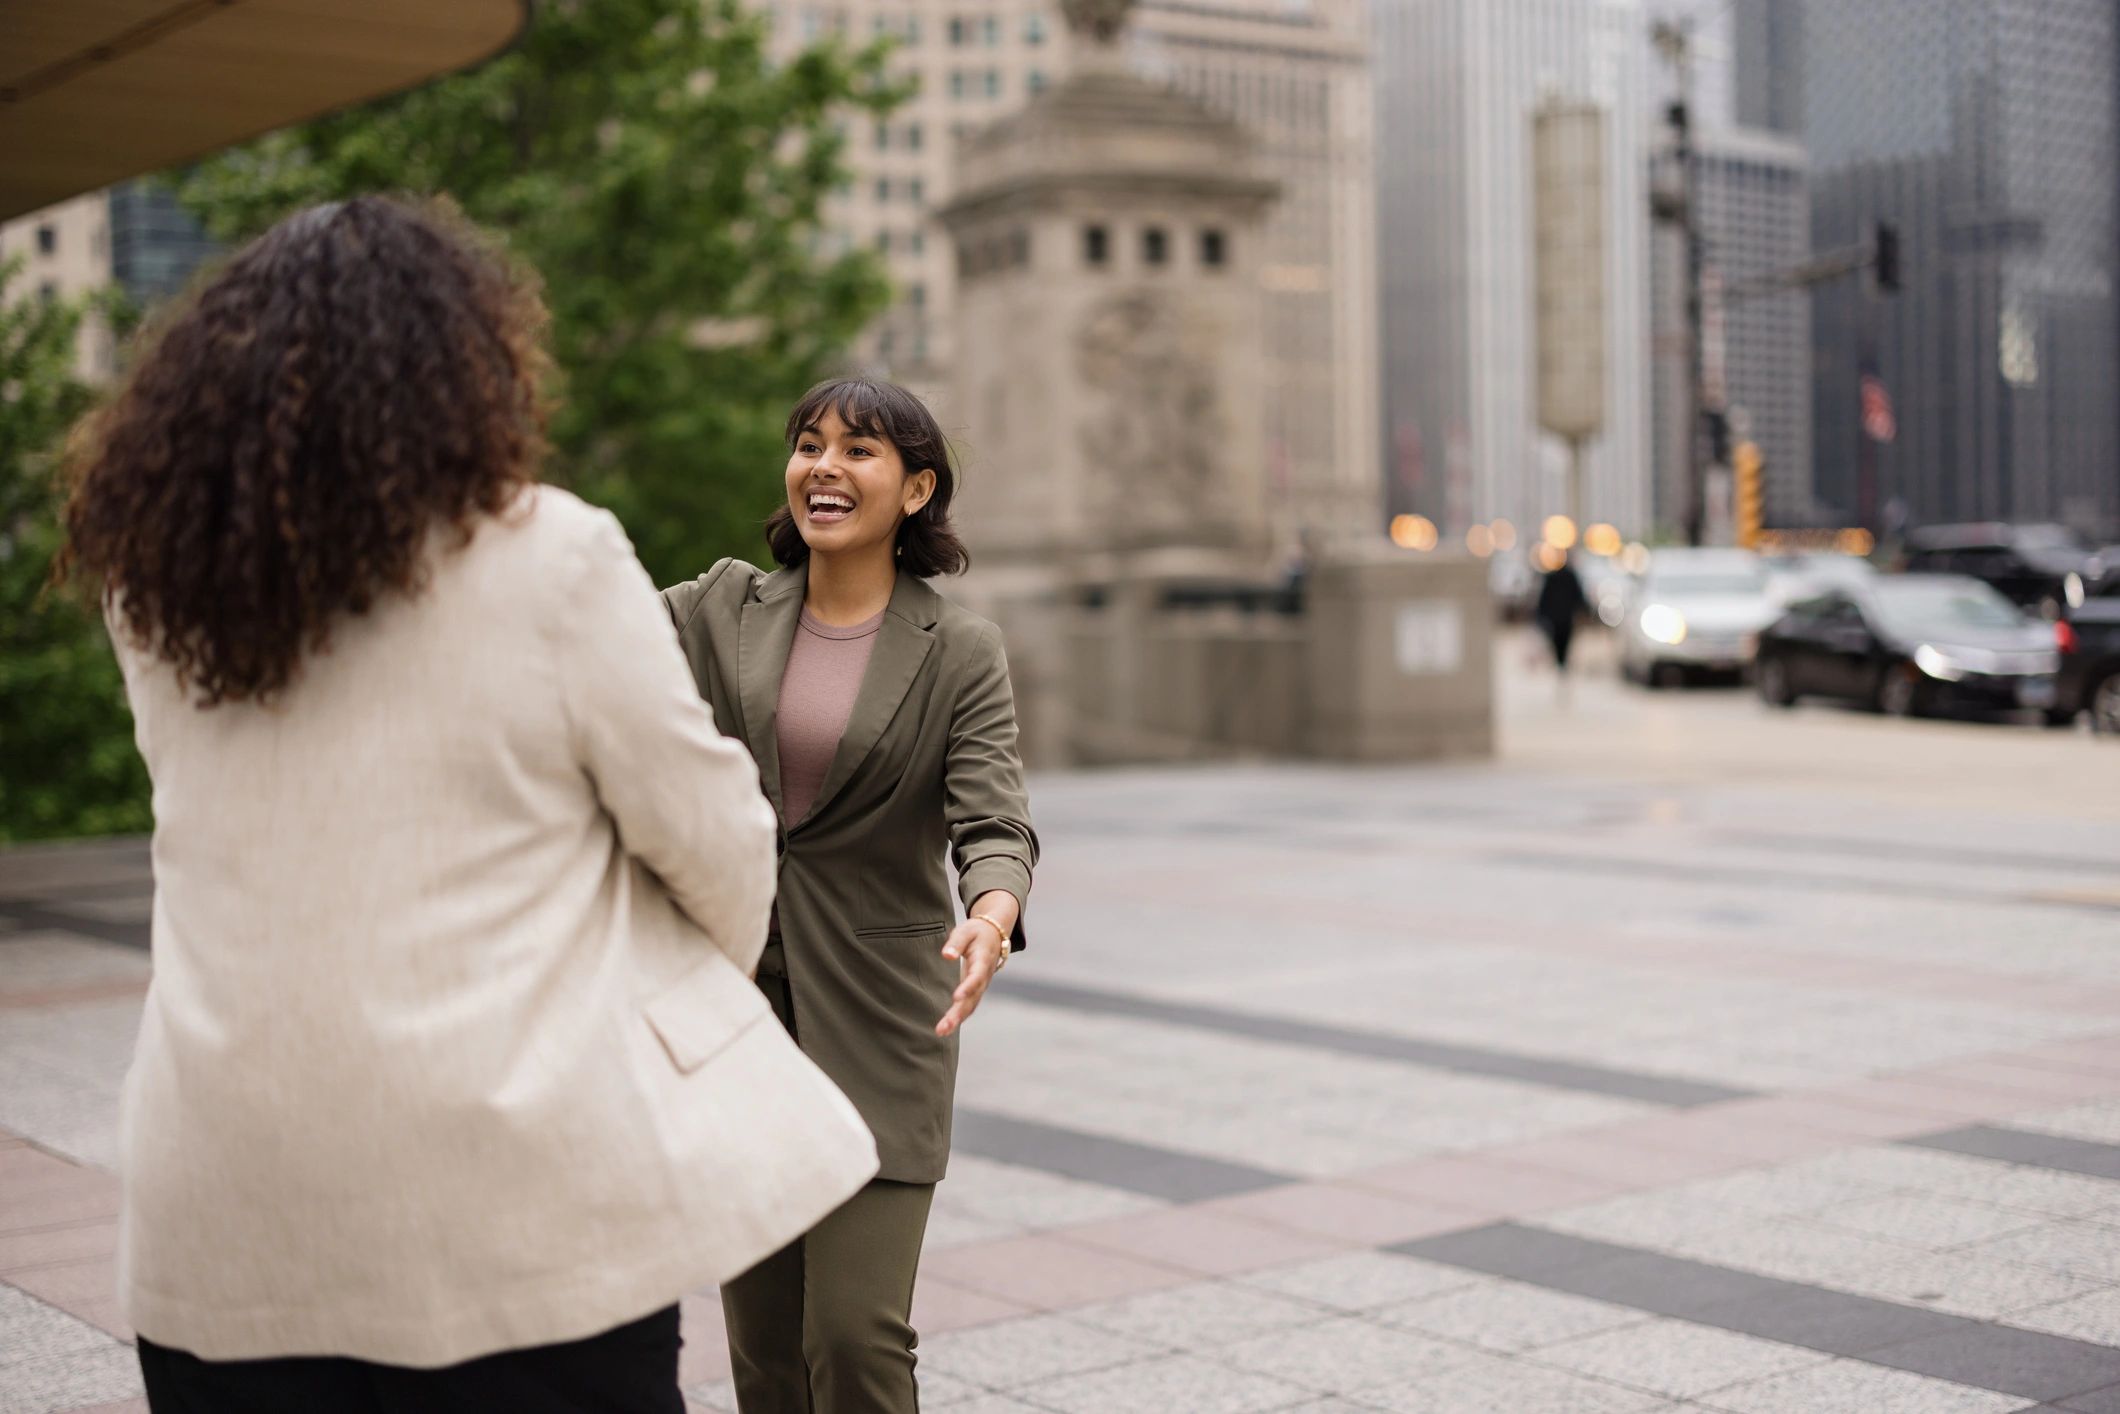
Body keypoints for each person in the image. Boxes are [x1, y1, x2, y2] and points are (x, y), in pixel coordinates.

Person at [56, 197, 877, 1413]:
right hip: (518, 1214)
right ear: (460, 373)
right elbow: (717, 843)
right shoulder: (551, 557)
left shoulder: (157, 588)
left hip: (221, 1212)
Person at [660, 377, 1038, 1413]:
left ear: (915, 489)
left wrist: (991, 912)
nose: (824, 466)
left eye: (859, 450)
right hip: (742, 1014)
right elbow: (580, 644)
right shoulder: (720, 608)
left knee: (856, 1338)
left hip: (882, 1013)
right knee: (767, 1353)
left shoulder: (958, 648)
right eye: (809, 444)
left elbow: (993, 818)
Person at [1536, 550, 1590, 702]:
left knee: (1561, 649)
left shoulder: (1556, 577)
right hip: (1564, 621)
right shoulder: (1567, 577)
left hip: (1558, 621)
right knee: (1562, 649)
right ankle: (1562, 669)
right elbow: (1579, 598)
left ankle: (1562, 669)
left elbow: (1543, 601)